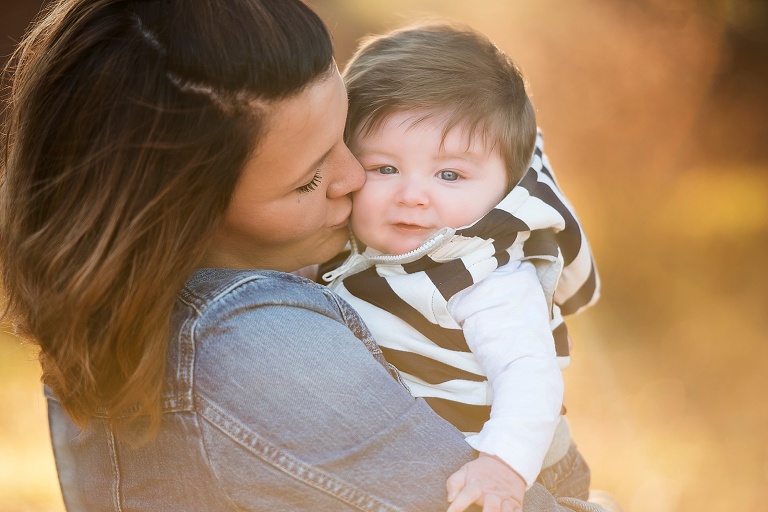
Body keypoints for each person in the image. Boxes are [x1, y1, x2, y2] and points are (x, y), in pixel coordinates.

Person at [0, 1, 614, 510]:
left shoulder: (117, 304)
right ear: (179, 212)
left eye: (345, 135)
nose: (354, 177)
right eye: (307, 180)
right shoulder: (252, 346)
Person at [323, 23, 601, 512]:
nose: (411, 194)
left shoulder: (484, 276)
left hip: (520, 464)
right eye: (384, 168)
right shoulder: (358, 241)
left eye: (449, 174)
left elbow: (528, 373)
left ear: (505, 188)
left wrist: (504, 466)